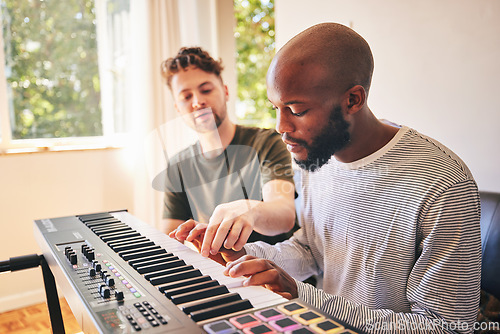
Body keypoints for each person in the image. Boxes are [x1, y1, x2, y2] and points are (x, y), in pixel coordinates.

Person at [170, 23, 481, 333]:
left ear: (353, 100)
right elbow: (311, 249)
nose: (281, 126)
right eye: (277, 108)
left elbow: (447, 327)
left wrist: (299, 293)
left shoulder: (443, 185)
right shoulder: (316, 155)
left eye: (296, 110)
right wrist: (241, 256)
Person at [154, 46, 297, 252]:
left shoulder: (266, 142)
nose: (197, 102)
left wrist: (250, 210)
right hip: (217, 274)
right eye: (186, 97)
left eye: (206, 90)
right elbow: (169, 241)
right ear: (178, 108)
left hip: (272, 273)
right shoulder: (177, 166)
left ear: (226, 91)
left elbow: (284, 216)